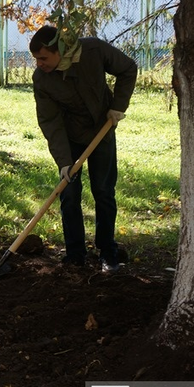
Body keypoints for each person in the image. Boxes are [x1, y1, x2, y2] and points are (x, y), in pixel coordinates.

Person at [28, 25, 137, 273]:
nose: (39, 64)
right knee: (69, 192)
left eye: (43, 58)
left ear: (59, 51)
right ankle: (75, 255)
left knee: (104, 191)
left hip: (102, 131)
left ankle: (108, 252)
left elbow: (128, 68)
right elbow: (50, 121)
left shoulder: (93, 50)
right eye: (36, 59)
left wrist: (118, 106)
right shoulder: (42, 79)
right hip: (69, 138)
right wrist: (64, 162)